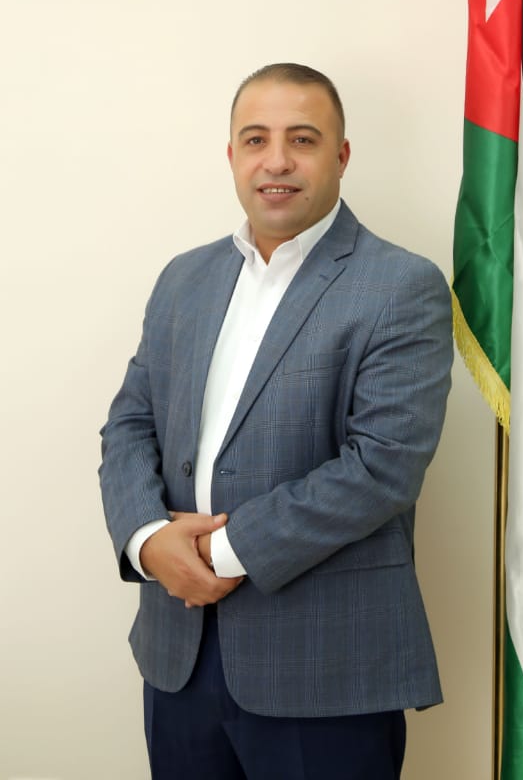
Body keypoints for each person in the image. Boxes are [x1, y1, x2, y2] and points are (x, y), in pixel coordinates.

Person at [99, 62, 453, 780]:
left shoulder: (401, 285)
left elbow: (382, 466)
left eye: (303, 139)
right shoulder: (183, 279)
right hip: (179, 658)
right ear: (232, 154)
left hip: (325, 667)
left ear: (340, 156)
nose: (277, 160)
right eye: (256, 139)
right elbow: (130, 424)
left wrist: (214, 554)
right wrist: (147, 540)